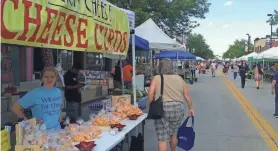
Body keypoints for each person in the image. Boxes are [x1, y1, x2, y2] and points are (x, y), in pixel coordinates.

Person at [148, 59, 194, 151]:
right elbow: (186, 95)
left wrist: (151, 106)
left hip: (162, 108)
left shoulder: (157, 78)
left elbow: (150, 94)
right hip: (178, 108)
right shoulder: (179, 78)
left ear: (160, 67)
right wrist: (191, 108)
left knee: (162, 139)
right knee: (174, 134)